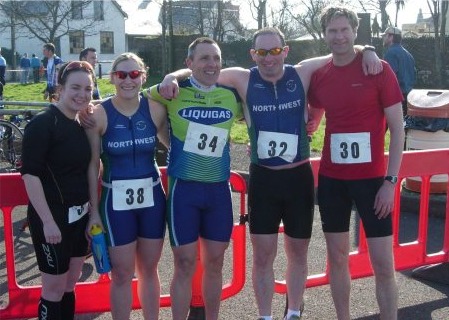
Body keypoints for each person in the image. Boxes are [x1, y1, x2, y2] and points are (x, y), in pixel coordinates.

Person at [159, 28, 382, 320]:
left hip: (298, 178)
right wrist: (171, 78)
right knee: (263, 256)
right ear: (253, 55)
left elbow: (340, 50)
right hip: (263, 180)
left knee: (298, 253)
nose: (268, 58)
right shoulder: (243, 77)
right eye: (261, 53)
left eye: (274, 51)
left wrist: (368, 49)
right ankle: (265, 315)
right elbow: (202, 70)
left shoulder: (301, 73)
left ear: (285, 51)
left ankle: (293, 312)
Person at [307, 7, 404, 320]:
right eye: (332, 31)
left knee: (383, 263)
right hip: (333, 180)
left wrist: (390, 183)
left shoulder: (379, 69)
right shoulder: (320, 75)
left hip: (373, 182)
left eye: (344, 30)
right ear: (324, 34)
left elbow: (399, 128)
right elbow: (316, 109)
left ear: (355, 31)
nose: (339, 37)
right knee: (336, 258)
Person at [147, 37, 242, 320]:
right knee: (185, 263)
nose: (211, 64)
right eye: (204, 58)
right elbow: (131, 96)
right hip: (184, 191)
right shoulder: (171, 91)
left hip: (218, 192)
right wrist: (170, 76)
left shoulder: (231, 95)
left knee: (215, 263)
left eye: (216, 58)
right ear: (189, 64)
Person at [85, 52, 168, 320]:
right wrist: (93, 212)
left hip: (152, 200)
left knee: (149, 270)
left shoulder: (156, 108)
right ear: (112, 78)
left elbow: (175, 146)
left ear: (143, 76)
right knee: (121, 273)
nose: (128, 80)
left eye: (134, 74)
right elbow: (91, 166)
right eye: (121, 75)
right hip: (114, 203)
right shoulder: (98, 114)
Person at [20, 61, 95, 320]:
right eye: (75, 87)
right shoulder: (43, 123)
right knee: (53, 289)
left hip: (79, 216)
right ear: (60, 89)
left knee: (70, 284)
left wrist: (90, 214)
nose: (82, 94)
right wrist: (48, 221)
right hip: (52, 218)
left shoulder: (81, 124)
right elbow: (30, 174)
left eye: (88, 89)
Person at [381, 26, 416, 118]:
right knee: (405, 127)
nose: (383, 38)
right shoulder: (409, 55)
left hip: (396, 97)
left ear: (391, 37)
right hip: (409, 97)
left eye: (385, 36)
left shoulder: (391, 53)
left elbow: (388, 77)